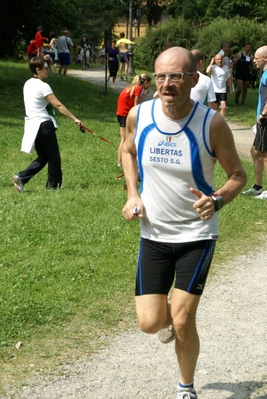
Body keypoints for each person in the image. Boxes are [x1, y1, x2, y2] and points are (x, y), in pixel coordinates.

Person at [121, 46, 247, 399]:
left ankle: (185, 387)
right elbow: (128, 151)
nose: (166, 84)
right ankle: (172, 323)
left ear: (194, 79)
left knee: (181, 319)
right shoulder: (140, 115)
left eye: (175, 76)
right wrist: (133, 193)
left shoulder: (212, 123)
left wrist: (217, 199)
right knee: (150, 323)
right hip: (154, 235)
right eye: (161, 76)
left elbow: (238, 174)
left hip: (197, 235)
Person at [12, 57, 82, 193]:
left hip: (32, 126)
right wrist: (74, 118)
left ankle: (21, 177)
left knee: (44, 157)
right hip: (43, 124)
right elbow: (58, 105)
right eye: (45, 67)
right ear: (37, 69)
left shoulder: (27, 83)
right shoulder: (43, 86)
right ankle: (53, 187)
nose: (48, 70)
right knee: (54, 157)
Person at [242, 45, 267, 199]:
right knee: (255, 151)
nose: (254, 61)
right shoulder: (264, 74)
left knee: (265, 155)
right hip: (262, 120)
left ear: (265, 58)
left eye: (257, 58)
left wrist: (263, 113)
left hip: (266, 119)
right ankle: (257, 187)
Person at [116, 73, 151, 167]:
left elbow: (136, 103)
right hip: (125, 114)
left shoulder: (133, 87)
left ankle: (121, 162)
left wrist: (144, 95)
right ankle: (120, 162)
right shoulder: (138, 88)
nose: (149, 86)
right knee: (125, 139)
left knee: (125, 138)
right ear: (146, 82)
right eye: (149, 83)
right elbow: (136, 106)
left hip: (121, 114)